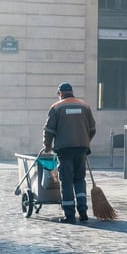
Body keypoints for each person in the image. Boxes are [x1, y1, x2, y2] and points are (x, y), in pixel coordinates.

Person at [43, 82, 96, 222]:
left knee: (66, 182)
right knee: (79, 179)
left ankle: (69, 215)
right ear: (72, 92)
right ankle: (83, 211)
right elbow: (92, 129)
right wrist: (84, 141)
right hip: (81, 149)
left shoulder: (56, 107)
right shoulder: (84, 106)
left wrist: (47, 146)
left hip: (64, 150)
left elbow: (49, 130)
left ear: (60, 93)